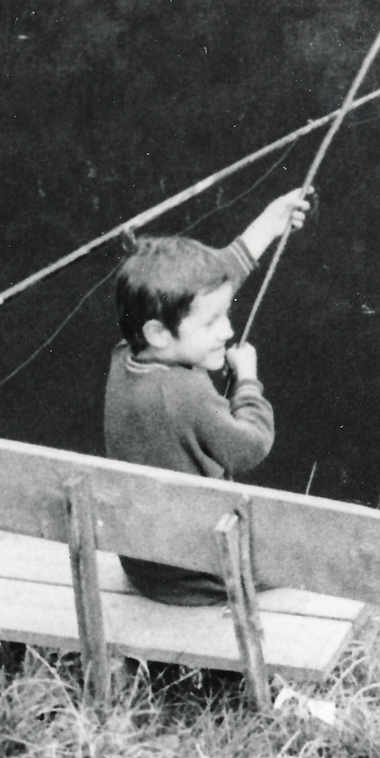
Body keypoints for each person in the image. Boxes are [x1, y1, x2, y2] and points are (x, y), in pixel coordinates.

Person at [103, 188, 313, 604]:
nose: (227, 331)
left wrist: (268, 226)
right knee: (311, 551)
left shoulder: (125, 355)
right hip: (200, 573)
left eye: (226, 314)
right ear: (159, 333)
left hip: (146, 565)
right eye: (212, 322)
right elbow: (250, 447)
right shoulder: (186, 392)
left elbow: (206, 287)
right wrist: (248, 381)